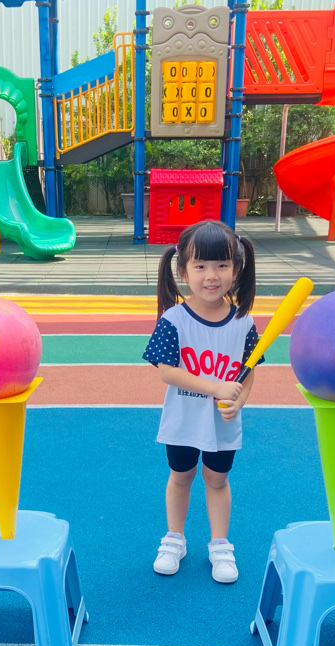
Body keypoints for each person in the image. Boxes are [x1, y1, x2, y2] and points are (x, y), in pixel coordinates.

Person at [142, 220, 261, 584]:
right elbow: (166, 371)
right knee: (181, 477)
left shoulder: (243, 322)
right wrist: (215, 388)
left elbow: (248, 371)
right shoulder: (174, 319)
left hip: (223, 425)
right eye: (201, 266)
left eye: (222, 265)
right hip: (182, 421)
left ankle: (220, 545)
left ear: (236, 270)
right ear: (183, 271)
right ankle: (174, 539)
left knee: (217, 480)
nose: (212, 275)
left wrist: (239, 401)